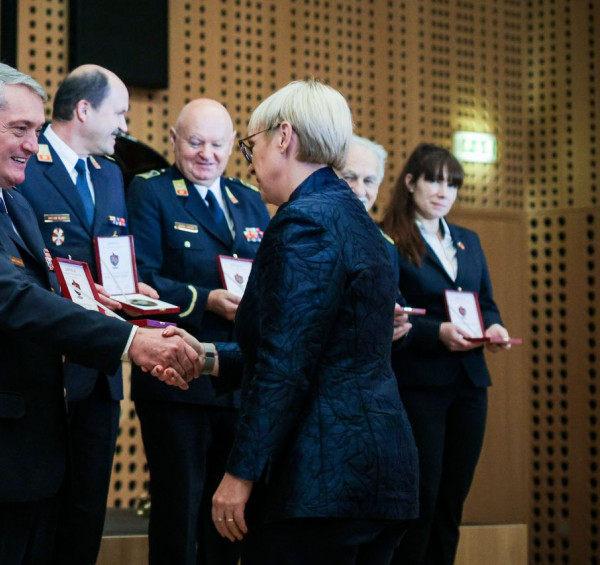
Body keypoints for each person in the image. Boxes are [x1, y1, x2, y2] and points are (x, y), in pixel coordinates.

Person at [0, 60, 199, 565]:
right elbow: (15, 300)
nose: (35, 143)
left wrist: (136, 317)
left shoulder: (12, 204)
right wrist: (130, 343)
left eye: (36, 129)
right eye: (20, 129)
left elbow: (55, 293)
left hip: (28, 457)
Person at [160, 79, 419, 565]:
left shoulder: (304, 222)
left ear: (283, 138)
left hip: (321, 480)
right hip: (380, 477)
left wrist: (241, 475)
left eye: (248, 145)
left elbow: (286, 364)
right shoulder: (357, 219)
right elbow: (318, 348)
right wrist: (210, 357)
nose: (248, 160)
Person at [17, 64, 155, 565]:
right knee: (38, 512)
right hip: (44, 367)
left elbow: (113, 255)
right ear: (83, 110)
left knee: (85, 512)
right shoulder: (26, 164)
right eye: (119, 112)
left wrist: (131, 290)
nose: (124, 124)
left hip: (99, 370)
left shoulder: (112, 173)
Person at [126, 98, 271, 565]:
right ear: (173, 140)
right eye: (195, 142)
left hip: (237, 377)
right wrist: (204, 298)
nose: (206, 154)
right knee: (179, 510)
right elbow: (141, 277)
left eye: (217, 144)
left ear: (232, 146)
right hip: (176, 375)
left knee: (230, 517)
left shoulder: (248, 200)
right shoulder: (151, 192)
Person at [380, 143, 512, 565]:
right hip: (420, 382)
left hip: (470, 382)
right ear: (410, 181)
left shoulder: (468, 241)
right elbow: (387, 313)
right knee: (423, 497)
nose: (443, 191)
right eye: (434, 180)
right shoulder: (390, 238)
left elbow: (485, 302)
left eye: (452, 184)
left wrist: (493, 326)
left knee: (453, 500)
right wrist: (436, 331)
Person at [338, 135, 411, 342]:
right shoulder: (309, 233)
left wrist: (399, 325)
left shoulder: (386, 246)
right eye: (349, 177)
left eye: (369, 181)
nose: (359, 190)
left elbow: (395, 303)